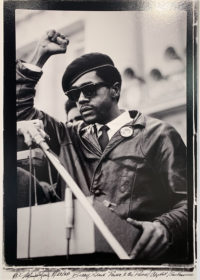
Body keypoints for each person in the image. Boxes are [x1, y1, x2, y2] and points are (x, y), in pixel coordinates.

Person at [16, 30, 187, 262]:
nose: (81, 99)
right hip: (78, 262)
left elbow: (189, 200)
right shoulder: (69, 136)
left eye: (89, 90)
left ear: (115, 90)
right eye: (74, 94)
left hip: (135, 262)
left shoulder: (158, 134)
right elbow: (18, 109)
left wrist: (165, 227)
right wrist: (39, 56)